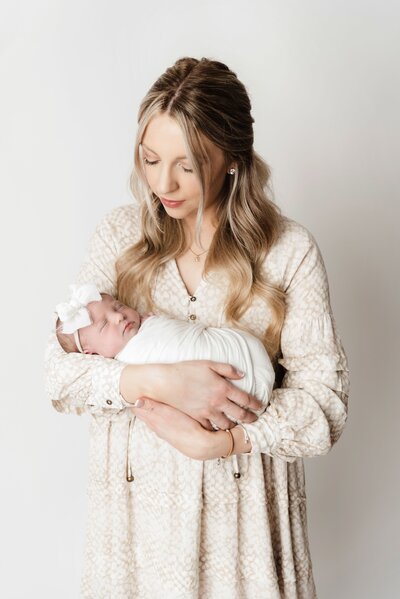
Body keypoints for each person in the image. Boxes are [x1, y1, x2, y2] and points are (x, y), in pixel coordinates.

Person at [44, 57, 350, 599]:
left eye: (187, 165)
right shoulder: (119, 236)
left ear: (231, 160)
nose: (163, 183)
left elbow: (324, 406)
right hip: (135, 537)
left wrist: (231, 439)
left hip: (243, 531)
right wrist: (154, 381)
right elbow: (59, 375)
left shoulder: (288, 252)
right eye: (151, 158)